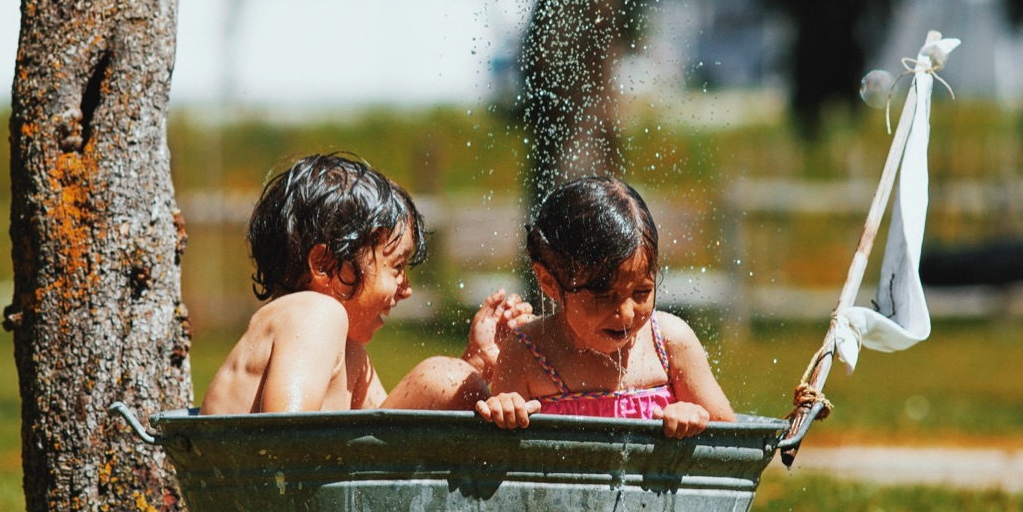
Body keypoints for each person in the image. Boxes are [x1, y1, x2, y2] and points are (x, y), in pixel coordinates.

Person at [201, 153, 529, 415]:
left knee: (450, 379)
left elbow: (390, 434)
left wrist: (475, 363)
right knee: (442, 376)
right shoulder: (315, 314)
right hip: (255, 490)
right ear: (324, 265)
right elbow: (286, 439)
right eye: (396, 266)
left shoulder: (349, 354)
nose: (406, 288)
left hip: (265, 492)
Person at [477, 176, 735, 437]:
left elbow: (733, 442)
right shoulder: (527, 352)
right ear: (549, 281)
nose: (625, 314)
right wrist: (504, 410)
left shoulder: (670, 344)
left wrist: (694, 416)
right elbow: (498, 458)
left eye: (642, 291)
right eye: (603, 296)